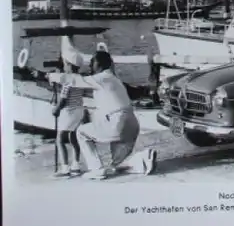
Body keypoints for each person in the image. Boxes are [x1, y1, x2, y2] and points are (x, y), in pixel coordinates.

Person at [47, 50, 158, 180]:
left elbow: (75, 80)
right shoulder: (114, 79)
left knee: (81, 132)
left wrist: (51, 76)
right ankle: (143, 158)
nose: (90, 66)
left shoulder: (101, 78)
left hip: (118, 123)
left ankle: (96, 170)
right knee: (115, 166)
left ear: (99, 64)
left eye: (92, 62)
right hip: (132, 124)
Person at [33, 54, 86, 177]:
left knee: (60, 139)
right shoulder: (80, 78)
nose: (64, 66)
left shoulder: (68, 80)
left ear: (70, 66)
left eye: (66, 64)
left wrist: (56, 109)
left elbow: (63, 100)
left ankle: (65, 168)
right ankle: (76, 165)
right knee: (73, 137)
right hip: (79, 110)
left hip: (69, 111)